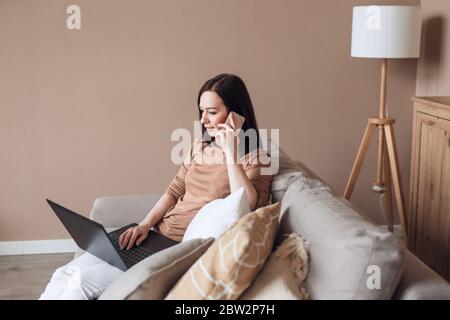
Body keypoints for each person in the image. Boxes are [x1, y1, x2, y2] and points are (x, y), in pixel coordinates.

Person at [39, 73, 273, 299]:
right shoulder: (199, 146)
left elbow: (247, 204)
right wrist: (144, 225)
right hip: (156, 236)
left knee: (81, 283)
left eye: (212, 112)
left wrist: (231, 150)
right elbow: (175, 190)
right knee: (64, 273)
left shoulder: (257, 158)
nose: (203, 120)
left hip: (178, 250)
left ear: (236, 115)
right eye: (202, 111)